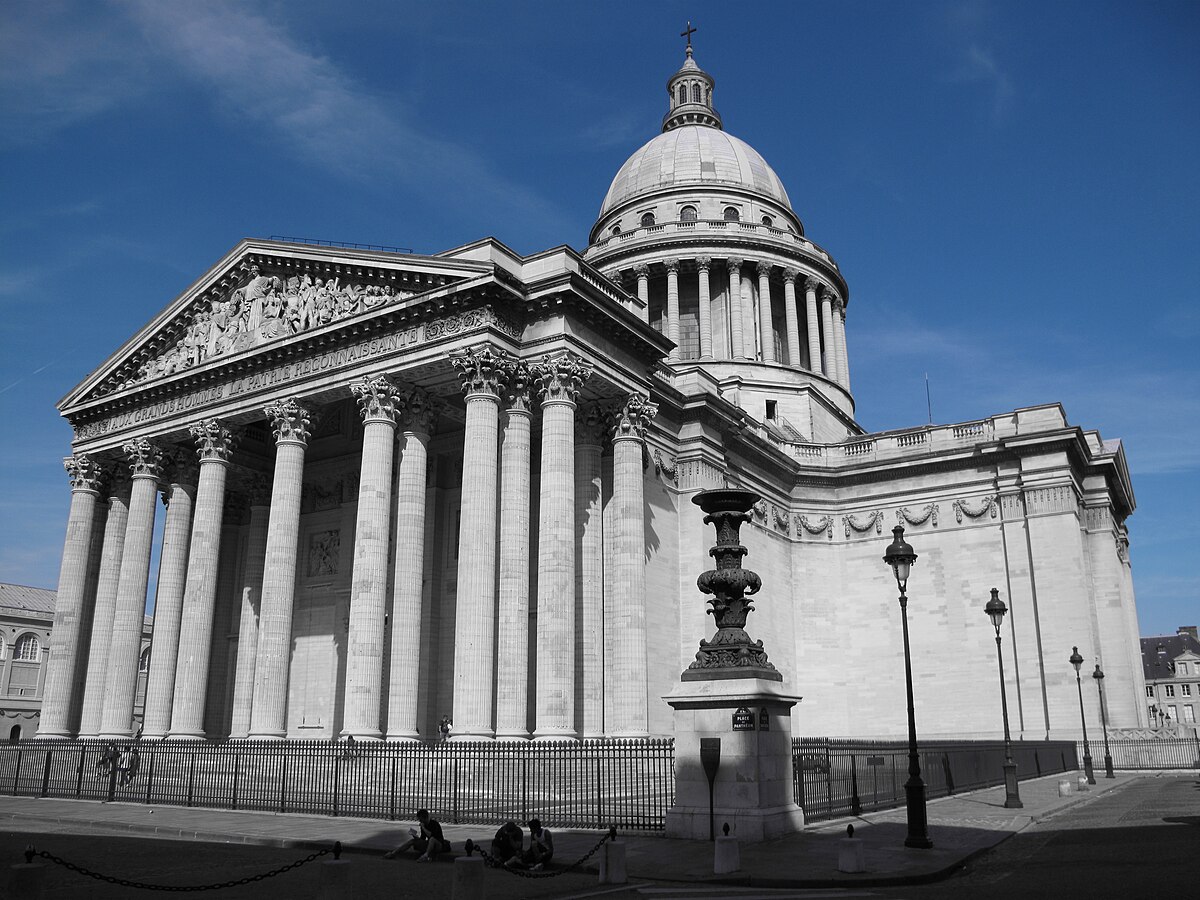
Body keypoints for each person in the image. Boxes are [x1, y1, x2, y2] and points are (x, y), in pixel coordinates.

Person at [383, 809, 451, 862]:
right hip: (430, 844)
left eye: (421, 820)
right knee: (412, 841)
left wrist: (423, 828)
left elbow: (431, 836)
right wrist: (416, 837)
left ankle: (426, 855)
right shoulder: (423, 825)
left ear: (426, 818)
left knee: (432, 839)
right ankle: (394, 853)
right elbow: (423, 838)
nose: (420, 821)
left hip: (439, 845)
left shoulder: (434, 824)